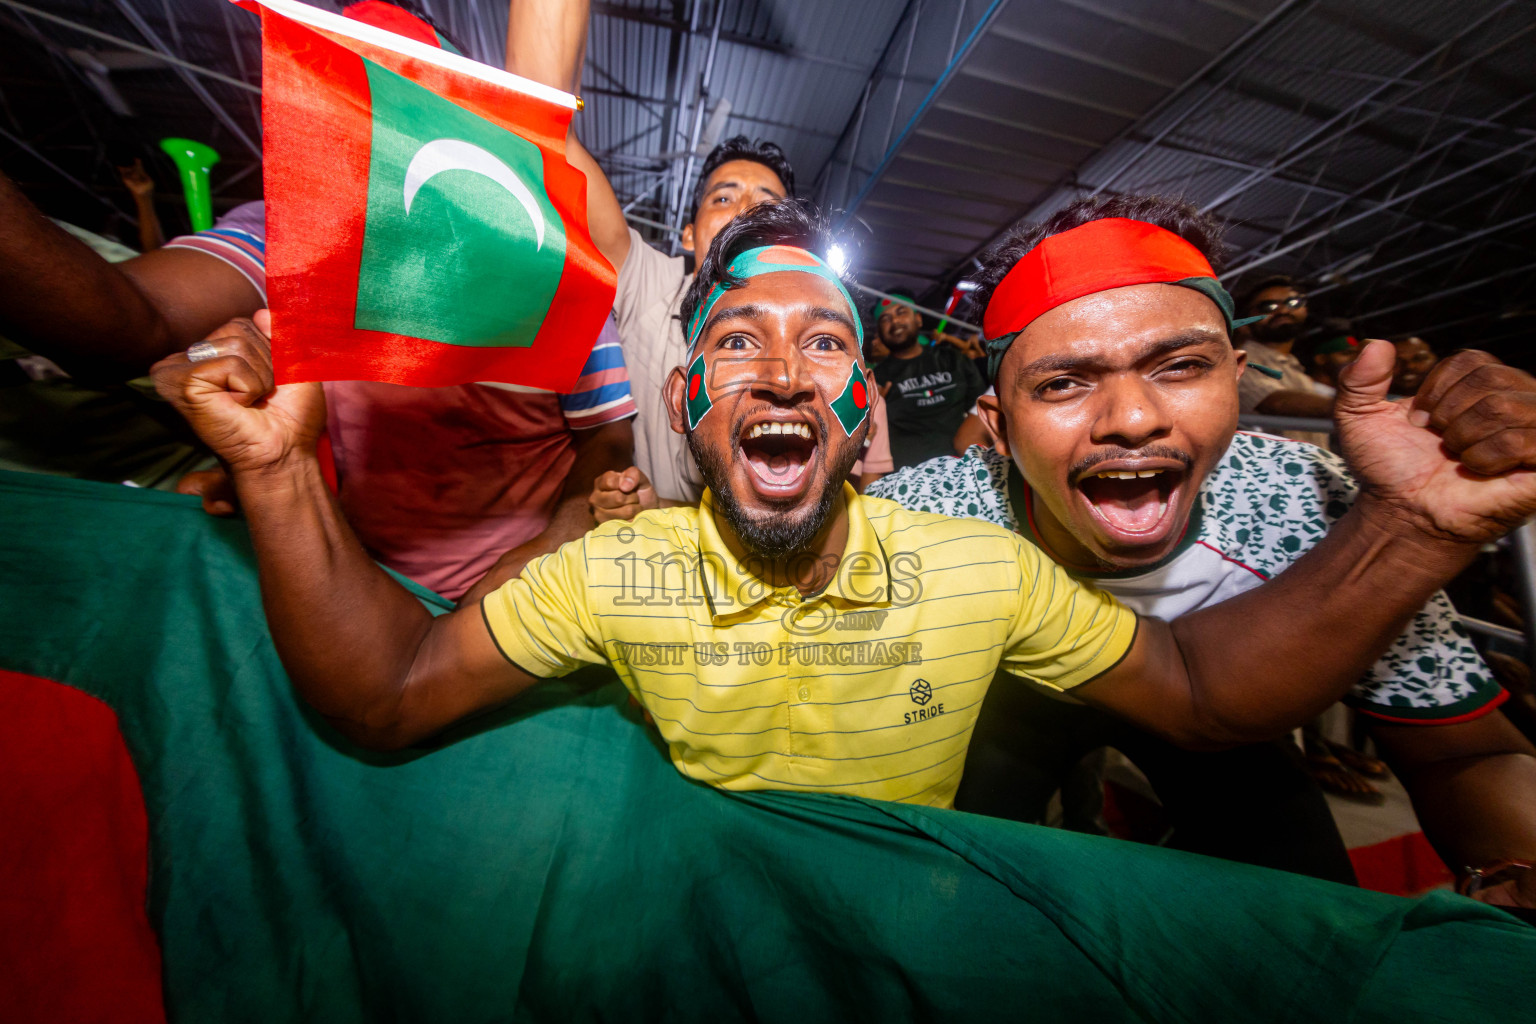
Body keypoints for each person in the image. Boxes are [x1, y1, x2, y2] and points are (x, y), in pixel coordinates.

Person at [153, 199, 1536, 838]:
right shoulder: (614, 571)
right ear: (688, 406)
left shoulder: (975, 566)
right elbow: (389, 696)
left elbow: (1199, 697)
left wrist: (1417, 528)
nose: (781, 371)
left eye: (825, 344)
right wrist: (280, 470)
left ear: (863, 409)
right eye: (737, 344)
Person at [867, 194, 1536, 906]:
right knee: (934, 875)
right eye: (1063, 383)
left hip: (1232, 730)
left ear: (1234, 376)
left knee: (1303, 898)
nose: (1133, 419)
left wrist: (1512, 872)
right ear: (999, 427)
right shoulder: (929, 516)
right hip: (1008, 713)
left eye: (1180, 367)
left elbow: (1468, 749)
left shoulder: (1307, 502)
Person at [872, 292, 988, 470]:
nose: (895, 321)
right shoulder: (875, 379)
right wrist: (873, 412)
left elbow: (981, 410)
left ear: (918, 319)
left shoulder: (953, 360)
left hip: (964, 467)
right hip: (907, 476)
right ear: (880, 331)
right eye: (885, 319)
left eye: (901, 312)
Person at [1233, 275, 1333, 448]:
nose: (1283, 311)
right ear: (1245, 324)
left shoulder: (1294, 366)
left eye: (1293, 303)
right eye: (1268, 307)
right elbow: (1274, 403)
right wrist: (1352, 406)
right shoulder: (1242, 360)